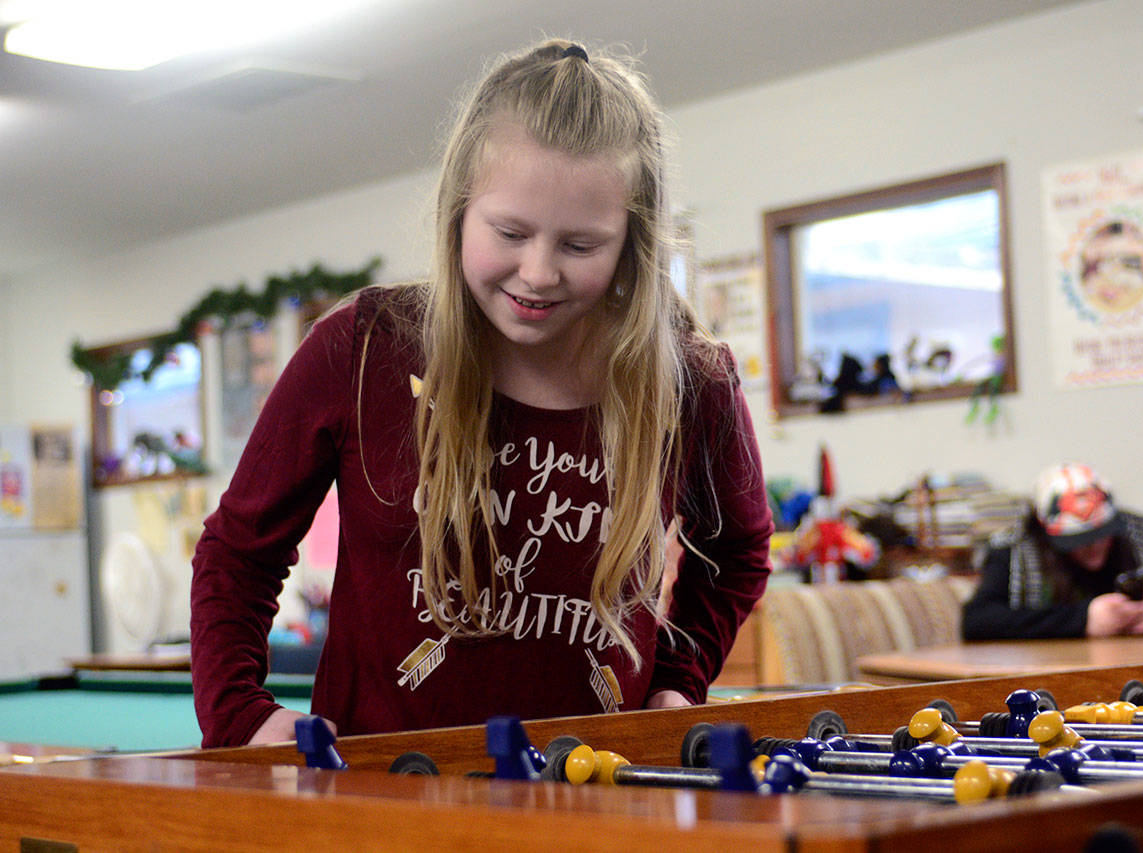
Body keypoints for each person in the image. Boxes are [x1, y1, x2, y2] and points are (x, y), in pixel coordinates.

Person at [189, 39, 774, 748]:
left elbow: (737, 550)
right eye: (510, 232)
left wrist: (678, 678)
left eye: (580, 245)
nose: (538, 272)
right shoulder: (361, 347)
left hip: (597, 790)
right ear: (460, 210)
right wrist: (241, 713)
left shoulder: (693, 378)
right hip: (379, 797)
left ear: (633, 243)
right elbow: (238, 551)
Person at [961, 463, 1143, 640]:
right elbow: (977, 622)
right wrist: (1084, 619)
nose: (1095, 545)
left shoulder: (1126, 546)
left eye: (1101, 535)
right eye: (1080, 539)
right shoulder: (1013, 551)